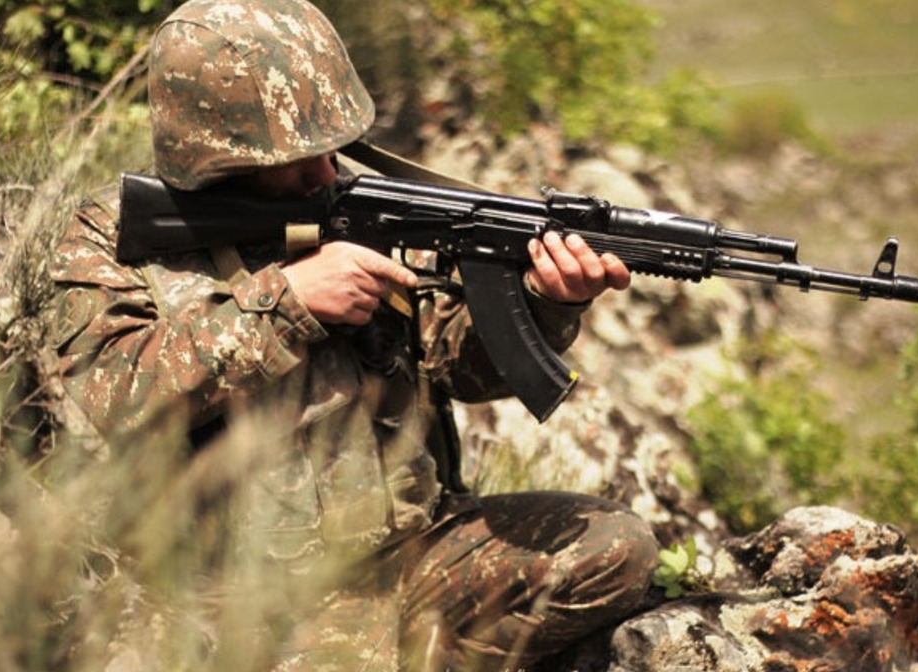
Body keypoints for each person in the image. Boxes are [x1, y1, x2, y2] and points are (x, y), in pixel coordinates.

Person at [48, 0, 660, 669]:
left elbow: (461, 369)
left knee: (611, 548)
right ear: (215, 156)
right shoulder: (112, 242)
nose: (325, 172)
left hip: (403, 556)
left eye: (329, 147)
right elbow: (110, 396)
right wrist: (287, 302)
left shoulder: (357, 211)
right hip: (229, 596)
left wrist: (544, 302)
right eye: (295, 157)